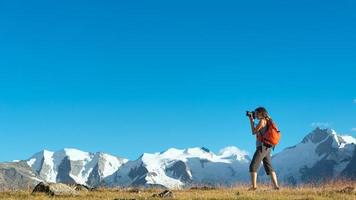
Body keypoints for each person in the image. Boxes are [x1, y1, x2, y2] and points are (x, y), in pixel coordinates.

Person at [248, 107, 279, 190]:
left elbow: (253, 132)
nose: (255, 114)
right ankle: (276, 187)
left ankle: (254, 187)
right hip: (267, 147)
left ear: (261, 113)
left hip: (262, 146)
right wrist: (252, 120)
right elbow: (255, 131)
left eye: (257, 113)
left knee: (253, 166)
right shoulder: (267, 121)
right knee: (269, 168)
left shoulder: (262, 121)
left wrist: (251, 120)